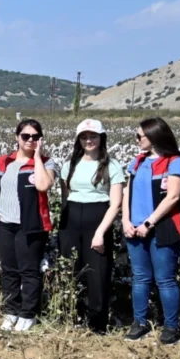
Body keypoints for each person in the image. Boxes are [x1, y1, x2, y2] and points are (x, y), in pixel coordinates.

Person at [122, 117, 180, 344]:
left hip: (163, 228)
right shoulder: (138, 161)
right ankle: (139, 322)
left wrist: (148, 223)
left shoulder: (175, 162)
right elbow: (127, 193)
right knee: (140, 278)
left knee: (165, 279)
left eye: (140, 135)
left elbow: (173, 196)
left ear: (154, 136)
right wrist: (125, 221)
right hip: (135, 228)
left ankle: (171, 326)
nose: (137, 140)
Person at [0, 119, 56, 332]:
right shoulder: (3, 162)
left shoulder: (46, 162)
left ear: (40, 140)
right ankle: (11, 311)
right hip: (4, 224)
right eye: (25, 136)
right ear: (17, 137)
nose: (30, 140)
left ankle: (28, 314)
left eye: (35, 137)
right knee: (9, 270)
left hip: (31, 225)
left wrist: (36, 157)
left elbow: (44, 185)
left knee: (29, 271)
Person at [58, 119, 124, 333]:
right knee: (71, 269)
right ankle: (73, 317)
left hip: (98, 218)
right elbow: (66, 195)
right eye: (84, 136)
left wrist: (100, 233)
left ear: (101, 138)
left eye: (93, 136)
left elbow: (115, 204)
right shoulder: (69, 165)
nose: (89, 140)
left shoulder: (112, 166)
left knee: (98, 273)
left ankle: (97, 324)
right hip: (71, 218)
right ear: (78, 139)